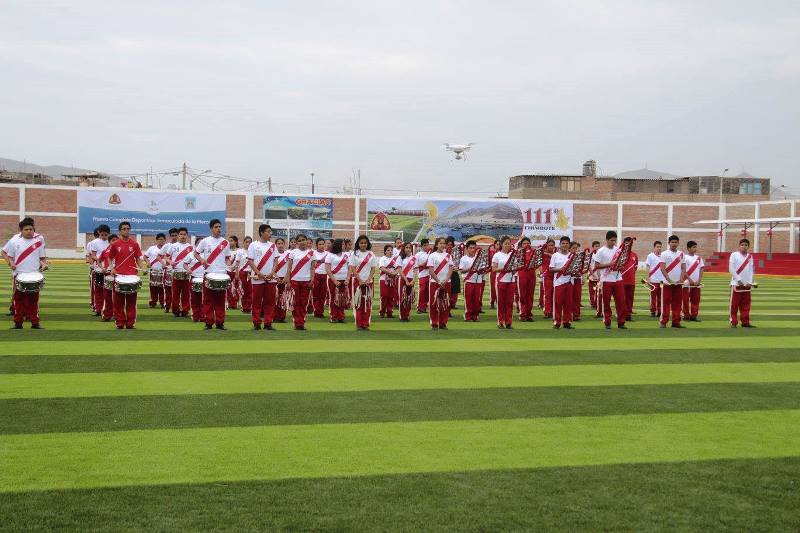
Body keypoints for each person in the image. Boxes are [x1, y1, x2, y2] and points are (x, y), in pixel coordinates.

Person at [4, 218, 48, 329]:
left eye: (31, 229)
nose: (29, 231)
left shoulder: (38, 242)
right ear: (21, 230)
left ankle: (35, 323)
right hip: (19, 275)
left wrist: (43, 265)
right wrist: (11, 264)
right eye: (26, 229)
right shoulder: (15, 241)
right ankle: (18, 323)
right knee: (19, 300)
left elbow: (42, 258)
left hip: (34, 275)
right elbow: (9, 256)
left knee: (34, 301)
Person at [107, 221, 146, 329]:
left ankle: (130, 323)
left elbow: (138, 258)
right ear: (120, 231)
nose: (126, 230)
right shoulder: (115, 244)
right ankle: (120, 323)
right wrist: (112, 268)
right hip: (119, 275)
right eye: (124, 229)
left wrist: (143, 267)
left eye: (128, 228)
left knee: (131, 302)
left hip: (132, 276)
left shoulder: (134, 244)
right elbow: (109, 257)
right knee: (118, 302)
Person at [195, 219, 233, 330]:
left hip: (222, 274)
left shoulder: (225, 242)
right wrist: (202, 260)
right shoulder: (205, 241)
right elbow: (196, 253)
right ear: (211, 228)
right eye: (216, 227)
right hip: (208, 274)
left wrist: (230, 264)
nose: (218, 229)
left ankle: (220, 323)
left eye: (220, 227)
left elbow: (227, 258)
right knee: (208, 300)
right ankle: (208, 323)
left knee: (220, 300)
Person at [592, 231, 627, 330]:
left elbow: (622, 262)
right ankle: (607, 322)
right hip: (606, 279)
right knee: (606, 302)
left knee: (621, 302)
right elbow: (597, 266)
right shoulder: (601, 251)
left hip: (618, 279)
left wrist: (620, 267)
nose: (613, 242)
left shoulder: (618, 250)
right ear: (607, 240)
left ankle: (621, 322)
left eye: (615, 241)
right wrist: (610, 264)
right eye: (611, 240)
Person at [247, 224, 277, 330]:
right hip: (257, 278)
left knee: (270, 302)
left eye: (270, 231)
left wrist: (272, 273)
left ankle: (268, 323)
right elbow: (250, 260)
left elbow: (275, 261)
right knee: (256, 302)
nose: (270, 233)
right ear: (261, 233)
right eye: (268, 231)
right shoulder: (253, 245)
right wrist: (258, 273)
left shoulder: (273, 246)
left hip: (270, 278)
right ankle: (256, 323)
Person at [284, 233, 316, 330]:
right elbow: (289, 268)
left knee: (304, 302)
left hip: (306, 281)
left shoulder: (311, 253)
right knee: (295, 302)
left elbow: (312, 268)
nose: (302, 242)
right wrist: (288, 281)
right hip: (294, 280)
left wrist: (312, 280)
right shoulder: (293, 252)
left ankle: (301, 322)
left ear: (307, 241)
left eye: (303, 240)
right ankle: (296, 322)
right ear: (297, 242)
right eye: (300, 240)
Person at [349, 235, 377, 330]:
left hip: (369, 282)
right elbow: (352, 268)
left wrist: (368, 279)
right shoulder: (354, 254)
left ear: (367, 243)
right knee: (358, 302)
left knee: (367, 303)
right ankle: (359, 324)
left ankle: (366, 323)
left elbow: (373, 268)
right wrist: (360, 280)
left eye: (365, 243)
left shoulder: (371, 254)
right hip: (357, 281)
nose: (363, 244)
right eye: (361, 243)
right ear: (358, 244)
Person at [659, 235, 686, 328]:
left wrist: (681, 279)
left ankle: (676, 322)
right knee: (665, 303)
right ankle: (663, 322)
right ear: (669, 243)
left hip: (678, 283)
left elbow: (683, 268)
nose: (674, 244)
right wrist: (668, 279)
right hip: (667, 283)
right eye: (672, 242)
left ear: (678, 243)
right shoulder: (664, 254)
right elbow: (662, 268)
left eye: (676, 242)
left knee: (677, 303)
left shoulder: (681, 254)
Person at [491, 236, 518, 329]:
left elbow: (515, 267)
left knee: (509, 302)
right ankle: (500, 321)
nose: (507, 245)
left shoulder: (513, 255)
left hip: (511, 280)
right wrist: (504, 269)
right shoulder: (497, 255)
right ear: (501, 244)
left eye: (509, 243)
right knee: (501, 302)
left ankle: (509, 322)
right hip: (501, 281)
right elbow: (493, 269)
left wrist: (514, 270)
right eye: (505, 243)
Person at [549, 236, 575, 329]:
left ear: (569, 245)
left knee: (568, 303)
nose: (565, 245)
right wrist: (561, 269)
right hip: (559, 283)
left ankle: (567, 322)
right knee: (558, 303)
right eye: (563, 243)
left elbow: (575, 268)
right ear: (560, 245)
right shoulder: (555, 255)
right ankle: (557, 322)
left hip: (569, 282)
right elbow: (551, 269)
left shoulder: (572, 255)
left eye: (567, 243)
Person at [729, 238, 755, 328]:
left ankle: (745, 322)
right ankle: (733, 322)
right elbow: (731, 269)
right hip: (736, 284)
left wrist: (750, 282)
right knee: (734, 305)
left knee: (746, 305)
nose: (744, 247)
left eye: (746, 245)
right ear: (739, 246)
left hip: (747, 285)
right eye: (742, 245)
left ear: (748, 246)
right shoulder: (734, 255)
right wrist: (738, 280)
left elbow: (751, 270)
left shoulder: (750, 256)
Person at [426, 237, 452, 330]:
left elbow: (450, 269)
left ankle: (443, 323)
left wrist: (446, 280)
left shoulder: (448, 256)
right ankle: (434, 323)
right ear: (437, 244)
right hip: (434, 283)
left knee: (445, 303)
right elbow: (430, 270)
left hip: (446, 283)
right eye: (440, 243)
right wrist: (438, 281)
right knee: (434, 304)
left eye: (444, 243)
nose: (442, 245)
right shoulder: (432, 255)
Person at [168, 227, 194, 317]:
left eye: (184, 234)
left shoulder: (190, 247)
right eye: (181, 234)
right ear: (178, 235)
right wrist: (170, 261)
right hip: (176, 272)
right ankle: (175, 310)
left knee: (186, 294)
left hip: (186, 272)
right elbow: (166, 257)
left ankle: (185, 310)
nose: (183, 236)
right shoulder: (173, 246)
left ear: (187, 235)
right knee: (175, 293)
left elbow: (193, 259)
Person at [86, 224, 111, 316]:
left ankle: (107, 309)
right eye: (102, 235)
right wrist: (100, 262)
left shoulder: (111, 242)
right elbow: (93, 255)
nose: (104, 237)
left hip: (109, 269)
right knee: (98, 290)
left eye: (106, 235)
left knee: (108, 290)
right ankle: (98, 308)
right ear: (98, 233)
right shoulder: (95, 242)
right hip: (99, 268)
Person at [325, 238, 350, 323]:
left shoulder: (346, 255)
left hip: (344, 280)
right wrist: (334, 280)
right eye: (342, 244)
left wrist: (347, 279)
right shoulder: (330, 255)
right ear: (338, 245)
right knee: (333, 298)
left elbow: (350, 268)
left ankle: (341, 316)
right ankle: (333, 316)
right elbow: (328, 269)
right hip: (333, 280)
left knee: (342, 299)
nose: (344, 246)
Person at [459, 240, 484, 322]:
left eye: (474, 248)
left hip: (478, 281)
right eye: (471, 248)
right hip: (468, 281)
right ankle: (468, 316)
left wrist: (481, 270)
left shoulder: (479, 258)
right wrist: (471, 269)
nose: (473, 249)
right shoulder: (463, 258)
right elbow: (461, 270)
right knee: (468, 300)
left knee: (477, 300)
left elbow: (483, 269)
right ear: (466, 249)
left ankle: (475, 316)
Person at [183, 237, 206, 323]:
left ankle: (203, 316)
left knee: (204, 299)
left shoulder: (208, 254)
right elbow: (185, 264)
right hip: (194, 278)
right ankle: (195, 316)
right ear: (196, 245)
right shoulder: (191, 254)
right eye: (198, 243)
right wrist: (188, 269)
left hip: (205, 279)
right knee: (194, 299)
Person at [97, 234, 118, 322]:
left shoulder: (120, 250)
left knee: (118, 298)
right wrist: (102, 269)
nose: (115, 242)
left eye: (116, 240)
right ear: (109, 241)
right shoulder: (105, 251)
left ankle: (117, 315)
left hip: (118, 275)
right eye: (113, 240)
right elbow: (98, 261)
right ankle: (107, 315)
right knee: (108, 297)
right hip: (108, 275)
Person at [682, 240, 704, 321]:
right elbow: (683, 270)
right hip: (687, 282)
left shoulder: (699, 258)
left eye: (696, 247)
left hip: (696, 283)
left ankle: (694, 316)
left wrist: (699, 280)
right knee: (685, 300)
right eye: (693, 247)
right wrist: (690, 279)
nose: (695, 249)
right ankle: (686, 315)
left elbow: (701, 269)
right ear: (688, 248)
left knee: (696, 300)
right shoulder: (684, 257)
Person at [144, 233, 166, 308]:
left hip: (163, 271)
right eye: (159, 239)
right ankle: (153, 302)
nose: (161, 241)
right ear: (156, 240)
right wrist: (148, 262)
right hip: (153, 270)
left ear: (165, 240)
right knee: (153, 287)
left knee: (162, 288)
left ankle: (163, 302)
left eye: (162, 239)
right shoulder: (151, 248)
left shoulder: (167, 249)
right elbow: (145, 257)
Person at [516, 237, 536, 322]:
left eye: (528, 243)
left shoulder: (534, 252)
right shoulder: (518, 252)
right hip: (522, 275)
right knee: (522, 296)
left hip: (532, 275)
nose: (526, 245)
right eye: (524, 243)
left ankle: (529, 314)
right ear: (521, 244)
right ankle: (522, 314)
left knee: (530, 296)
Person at [378, 244, 400, 318]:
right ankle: (382, 312)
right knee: (384, 296)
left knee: (391, 296)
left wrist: (394, 273)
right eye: (388, 250)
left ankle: (390, 312)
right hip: (383, 279)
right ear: (385, 251)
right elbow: (382, 268)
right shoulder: (382, 258)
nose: (390, 251)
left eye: (391, 250)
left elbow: (398, 269)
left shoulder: (395, 259)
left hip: (392, 280)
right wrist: (390, 273)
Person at [397, 242, 417, 322]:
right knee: (402, 298)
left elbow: (415, 270)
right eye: (407, 247)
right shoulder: (400, 258)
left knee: (409, 299)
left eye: (409, 248)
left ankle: (407, 315)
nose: (408, 249)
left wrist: (413, 280)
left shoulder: (414, 258)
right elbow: (399, 270)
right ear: (403, 248)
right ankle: (402, 316)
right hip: (402, 279)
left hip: (411, 280)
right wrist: (406, 280)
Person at [620, 239, 638, 322]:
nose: (628, 245)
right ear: (623, 244)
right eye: (626, 243)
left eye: (630, 243)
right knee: (621, 299)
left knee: (630, 299)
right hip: (621, 280)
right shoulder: (620, 254)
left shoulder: (634, 255)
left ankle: (628, 314)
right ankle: (621, 314)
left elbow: (635, 268)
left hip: (631, 281)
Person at [311, 238, 329, 318]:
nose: (322, 246)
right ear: (316, 245)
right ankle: (316, 311)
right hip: (316, 275)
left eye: (323, 244)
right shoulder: (313, 253)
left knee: (323, 295)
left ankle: (320, 312)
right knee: (315, 295)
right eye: (320, 244)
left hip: (325, 276)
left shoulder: (328, 254)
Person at [645, 241, 665, 317]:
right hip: (653, 280)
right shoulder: (650, 256)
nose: (659, 248)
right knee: (652, 297)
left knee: (661, 297)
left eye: (660, 247)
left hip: (662, 281)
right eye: (657, 246)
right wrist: (648, 278)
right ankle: (653, 311)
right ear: (654, 247)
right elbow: (648, 267)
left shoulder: (663, 256)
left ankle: (659, 311)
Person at [162, 228, 179, 314]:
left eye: (176, 235)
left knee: (178, 291)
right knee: (168, 290)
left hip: (179, 271)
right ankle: (167, 306)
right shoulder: (166, 246)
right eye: (172, 236)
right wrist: (164, 264)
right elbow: (159, 256)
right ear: (170, 236)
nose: (174, 237)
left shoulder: (182, 246)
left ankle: (177, 307)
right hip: (168, 271)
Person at [272, 238, 290, 323]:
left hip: (285, 279)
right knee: (275, 298)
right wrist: (276, 277)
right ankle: (275, 316)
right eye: (278, 243)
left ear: (284, 244)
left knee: (284, 298)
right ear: (276, 245)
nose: (280, 245)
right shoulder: (273, 255)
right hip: (275, 279)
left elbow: (290, 268)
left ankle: (282, 317)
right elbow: (271, 267)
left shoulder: (288, 254)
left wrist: (286, 277)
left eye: (282, 243)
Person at [539, 239, 555, 318]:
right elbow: (539, 250)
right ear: (546, 246)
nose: (551, 247)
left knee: (554, 295)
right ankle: (547, 312)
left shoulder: (556, 254)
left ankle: (552, 311)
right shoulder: (543, 254)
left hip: (555, 277)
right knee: (547, 295)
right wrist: (548, 254)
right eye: (549, 245)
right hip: (547, 276)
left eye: (552, 245)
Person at [415, 238, 431, 313]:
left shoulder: (431, 254)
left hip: (430, 275)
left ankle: (424, 306)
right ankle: (419, 307)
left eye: (427, 245)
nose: (426, 247)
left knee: (427, 292)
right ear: (421, 246)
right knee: (422, 291)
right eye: (425, 245)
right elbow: (414, 265)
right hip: (422, 275)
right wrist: (422, 265)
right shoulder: (418, 254)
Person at [227, 236, 243, 310]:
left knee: (236, 288)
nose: (230, 242)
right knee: (229, 288)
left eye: (232, 240)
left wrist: (236, 271)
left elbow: (240, 262)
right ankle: (230, 303)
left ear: (236, 242)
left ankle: (236, 303)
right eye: (229, 241)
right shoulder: (227, 251)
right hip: (227, 271)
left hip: (236, 271)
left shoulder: (239, 251)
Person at [445, 236, 461, 312]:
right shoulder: (443, 251)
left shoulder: (456, 250)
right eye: (448, 244)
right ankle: (447, 305)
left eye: (451, 244)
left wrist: (455, 267)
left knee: (455, 289)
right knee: (447, 290)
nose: (449, 246)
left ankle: (453, 304)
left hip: (454, 272)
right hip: (446, 273)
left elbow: (458, 261)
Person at [569, 242, 583, 321]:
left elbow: (582, 268)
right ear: (570, 248)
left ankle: (576, 315)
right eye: (574, 248)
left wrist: (582, 276)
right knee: (569, 298)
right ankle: (569, 314)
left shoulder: (579, 257)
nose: (575, 249)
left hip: (577, 279)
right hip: (569, 279)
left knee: (577, 297)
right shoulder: (567, 257)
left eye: (576, 248)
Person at [239, 236, 253, 314]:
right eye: (246, 242)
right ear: (243, 243)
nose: (248, 244)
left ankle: (249, 307)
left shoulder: (253, 251)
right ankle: (244, 307)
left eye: (250, 242)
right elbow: (237, 263)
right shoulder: (240, 251)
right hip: (242, 272)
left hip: (250, 273)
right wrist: (237, 273)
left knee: (250, 291)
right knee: (243, 290)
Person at [587, 241, 601, 311]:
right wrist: (592, 274)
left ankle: (597, 303)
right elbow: (589, 266)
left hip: (598, 275)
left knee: (598, 290)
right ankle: (593, 303)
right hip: (592, 275)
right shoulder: (590, 255)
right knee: (591, 290)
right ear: (593, 247)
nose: (597, 247)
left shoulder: (601, 254)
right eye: (596, 246)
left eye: (598, 246)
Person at [488, 239, 498, 309]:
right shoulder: (492, 253)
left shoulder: (503, 253)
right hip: (493, 272)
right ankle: (492, 302)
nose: (498, 245)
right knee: (493, 288)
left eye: (499, 244)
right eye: (497, 244)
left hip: (500, 272)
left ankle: (499, 302)